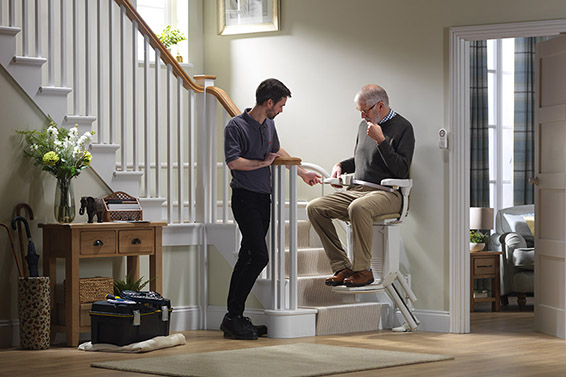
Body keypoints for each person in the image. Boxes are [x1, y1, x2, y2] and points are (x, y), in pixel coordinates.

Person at [221, 78, 321, 340]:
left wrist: (302, 173)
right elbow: (234, 162)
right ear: (269, 103)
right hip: (244, 198)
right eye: (281, 105)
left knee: (247, 256)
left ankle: (233, 317)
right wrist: (262, 164)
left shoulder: (269, 125)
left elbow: (277, 152)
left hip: (263, 197)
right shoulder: (236, 126)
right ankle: (233, 316)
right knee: (259, 256)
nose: (281, 110)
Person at [306, 84, 415, 288]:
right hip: (357, 190)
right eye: (360, 111)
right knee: (315, 207)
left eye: (365, 111)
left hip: (389, 194)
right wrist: (341, 165)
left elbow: (401, 170)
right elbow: (362, 159)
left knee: (358, 208)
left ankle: (362, 270)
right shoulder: (364, 127)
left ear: (380, 106)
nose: (362, 116)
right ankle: (341, 267)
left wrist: (381, 140)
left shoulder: (403, 128)